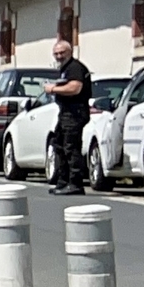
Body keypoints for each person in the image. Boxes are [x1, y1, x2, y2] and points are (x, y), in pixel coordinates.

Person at [47, 36, 94, 194]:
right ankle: (63, 181)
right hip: (65, 112)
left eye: (62, 53)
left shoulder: (75, 67)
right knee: (59, 145)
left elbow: (75, 88)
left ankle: (75, 184)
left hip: (75, 112)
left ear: (70, 52)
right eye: (56, 53)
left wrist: (53, 89)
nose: (59, 56)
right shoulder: (65, 69)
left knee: (71, 148)